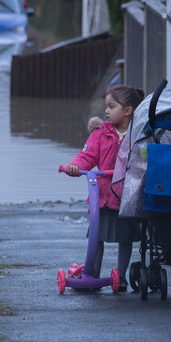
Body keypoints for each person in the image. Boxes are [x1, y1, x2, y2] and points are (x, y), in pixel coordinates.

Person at [66, 84, 145, 292]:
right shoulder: (101, 133)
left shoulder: (138, 135)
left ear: (128, 110)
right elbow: (88, 155)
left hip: (125, 196)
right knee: (96, 236)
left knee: (125, 237)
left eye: (112, 106)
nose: (106, 111)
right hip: (101, 195)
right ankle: (93, 273)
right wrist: (76, 166)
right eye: (106, 107)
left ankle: (121, 277)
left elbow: (145, 159)